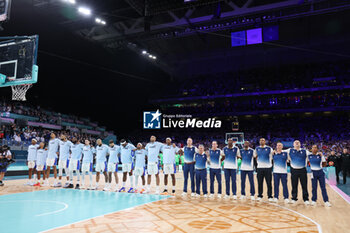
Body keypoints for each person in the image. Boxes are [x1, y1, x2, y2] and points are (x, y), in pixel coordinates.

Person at [284, 140, 310, 205]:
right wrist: (274, 151)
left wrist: (319, 154)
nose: (297, 143)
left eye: (298, 142)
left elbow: (313, 154)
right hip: (294, 170)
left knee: (304, 185)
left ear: (300, 144)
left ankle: (306, 199)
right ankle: (294, 198)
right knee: (294, 185)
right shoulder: (289, 150)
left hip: (303, 170)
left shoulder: (305, 151)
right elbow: (280, 151)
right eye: (295, 142)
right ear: (293, 144)